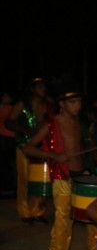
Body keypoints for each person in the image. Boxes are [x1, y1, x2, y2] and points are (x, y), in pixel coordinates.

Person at [22, 86, 97, 250]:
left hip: (83, 174)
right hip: (63, 177)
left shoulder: (79, 122)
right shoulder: (51, 124)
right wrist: (53, 155)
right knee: (63, 221)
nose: (77, 106)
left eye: (79, 102)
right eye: (72, 102)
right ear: (62, 104)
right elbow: (29, 148)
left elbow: (82, 144)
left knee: (94, 217)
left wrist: (93, 153)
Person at [6, 78, 52, 224]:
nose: (43, 89)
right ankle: (25, 212)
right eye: (39, 86)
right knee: (25, 178)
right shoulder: (23, 104)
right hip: (24, 145)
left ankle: (38, 210)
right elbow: (8, 121)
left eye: (44, 86)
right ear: (32, 89)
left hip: (42, 146)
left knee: (41, 178)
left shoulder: (48, 105)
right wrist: (25, 130)